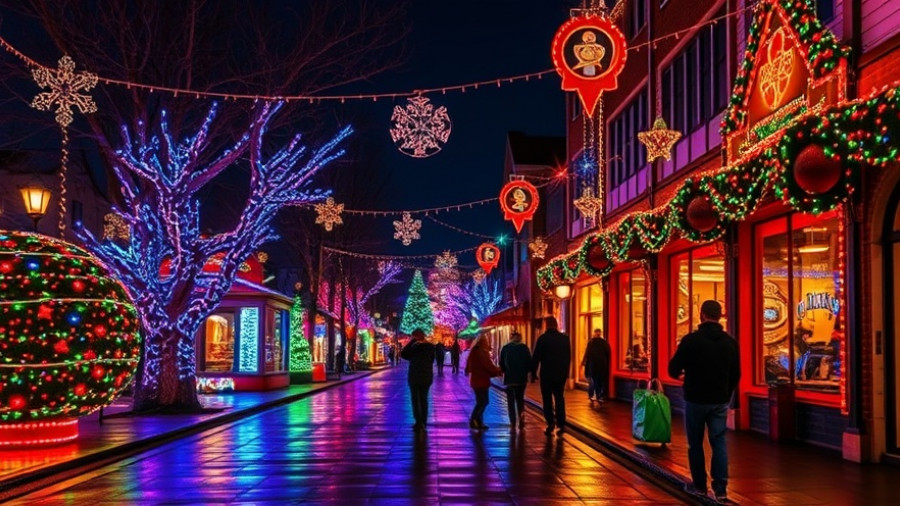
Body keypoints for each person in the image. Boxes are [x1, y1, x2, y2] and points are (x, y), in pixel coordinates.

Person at [668, 300, 740, 502]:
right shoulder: (730, 343)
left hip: (695, 399)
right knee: (719, 443)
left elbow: (673, 369)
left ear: (702, 315)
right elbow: (736, 374)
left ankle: (699, 485)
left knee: (696, 444)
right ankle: (721, 489)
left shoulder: (691, 341)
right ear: (719, 316)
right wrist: (726, 394)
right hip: (719, 400)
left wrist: (685, 376)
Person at [531, 316, 571, 436]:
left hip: (547, 374)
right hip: (560, 374)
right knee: (559, 398)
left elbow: (536, 357)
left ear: (546, 325)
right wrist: (566, 373)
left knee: (547, 399)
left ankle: (550, 423)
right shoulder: (564, 339)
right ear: (556, 324)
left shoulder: (542, 339)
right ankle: (561, 423)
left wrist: (533, 373)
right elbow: (568, 357)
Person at [401, 329, 436, 432]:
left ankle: (418, 422)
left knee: (415, 400)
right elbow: (432, 360)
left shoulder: (414, 347)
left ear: (414, 336)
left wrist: (412, 342)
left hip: (415, 376)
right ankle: (424, 422)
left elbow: (403, 354)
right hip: (426, 376)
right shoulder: (430, 346)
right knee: (424, 399)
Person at [465, 335, 501, 430]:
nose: (487, 342)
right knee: (483, 401)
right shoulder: (481, 352)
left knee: (481, 401)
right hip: (481, 380)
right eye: (485, 340)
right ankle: (475, 420)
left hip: (476, 381)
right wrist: (498, 371)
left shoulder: (474, 352)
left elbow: (470, 366)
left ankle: (478, 421)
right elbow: (488, 365)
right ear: (482, 342)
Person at [500, 331, 532, 431]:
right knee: (520, 400)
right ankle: (521, 417)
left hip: (510, 379)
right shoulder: (524, 348)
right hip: (522, 379)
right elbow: (529, 362)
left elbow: (502, 363)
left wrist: (504, 371)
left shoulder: (506, 348)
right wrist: (527, 373)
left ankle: (513, 421)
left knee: (510, 401)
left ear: (511, 338)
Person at [581, 329, 611, 402]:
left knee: (593, 379)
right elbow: (608, 354)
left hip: (593, 364)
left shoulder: (591, 342)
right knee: (599, 380)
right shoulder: (604, 343)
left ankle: (592, 394)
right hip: (602, 364)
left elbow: (587, 352)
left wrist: (583, 361)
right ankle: (598, 395)